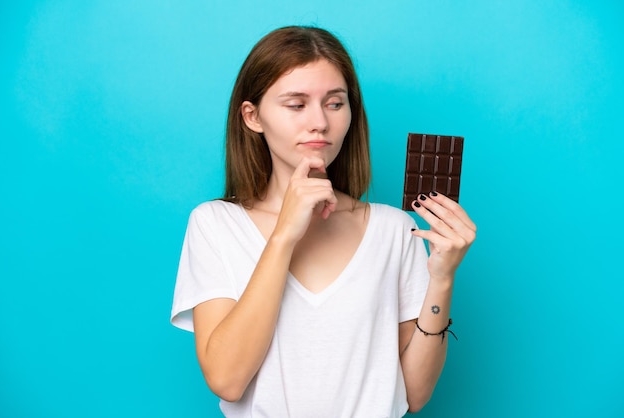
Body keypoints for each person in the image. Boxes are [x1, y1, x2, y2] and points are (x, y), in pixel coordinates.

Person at [171, 25, 476, 417]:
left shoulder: (395, 229)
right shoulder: (215, 224)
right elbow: (227, 379)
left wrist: (442, 278)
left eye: (334, 103)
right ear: (252, 116)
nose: (319, 122)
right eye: (296, 105)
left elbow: (415, 394)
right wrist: (283, 236)